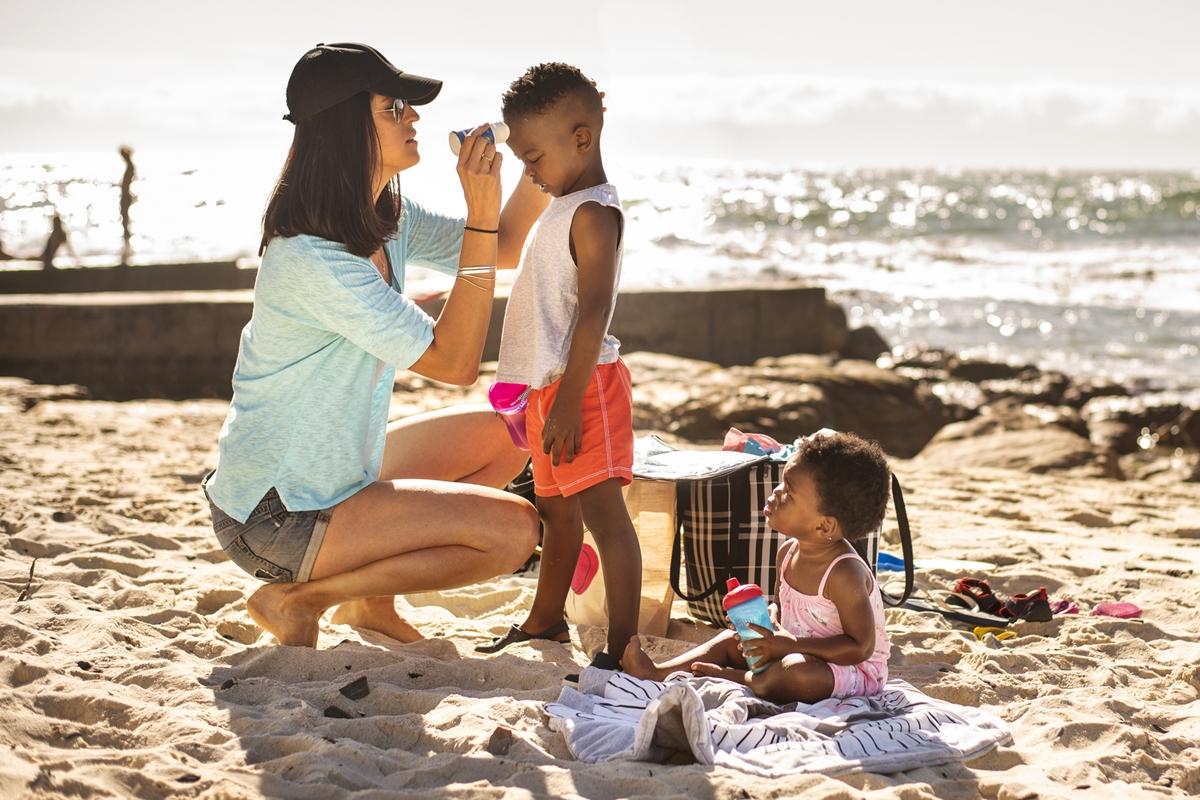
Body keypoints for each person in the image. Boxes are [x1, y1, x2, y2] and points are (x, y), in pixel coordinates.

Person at [202, 42, 551, 648]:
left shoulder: (388, 215)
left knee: (507, 431)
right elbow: (455, 362)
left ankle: (371, 604)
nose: (413, 118)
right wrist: (480, 210)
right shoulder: (311, 256)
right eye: (394, 108)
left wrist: (537, 148)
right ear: (346, 130)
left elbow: (505, 247)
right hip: (277, 516)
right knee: (514, 533)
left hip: (337, 476)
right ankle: (302, 598)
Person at [476, 63, 639, 670]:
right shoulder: (563, 203)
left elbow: (594, 311)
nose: (530, 171)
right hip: (552, 388)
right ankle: (545, 623)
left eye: (533, 157)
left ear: (581, 137)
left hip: (585, 385)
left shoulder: (594, 213)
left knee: (604, 516)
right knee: (557, 511)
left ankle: (624, 647)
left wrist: (570, 400)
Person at [622, 432, 893, 704]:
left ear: (824, 526)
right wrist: (766, 621)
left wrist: (791, 645)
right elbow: (786, 615)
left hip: (849, 670)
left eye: (789, 492)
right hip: (793, 648)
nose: (775, 493)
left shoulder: (844, 573)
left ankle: (742, 679)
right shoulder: (788, 553)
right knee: (731, 640)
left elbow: (860, 647)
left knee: (797, 672)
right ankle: (658, 673)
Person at [119, 145, 136, 266]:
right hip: (126, 197)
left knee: (125, 222)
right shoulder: (130, 166)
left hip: (125, 197)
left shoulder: (130, 166)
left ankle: (127, 249)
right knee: (125, 222)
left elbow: (126, 185)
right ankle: (126, 248)